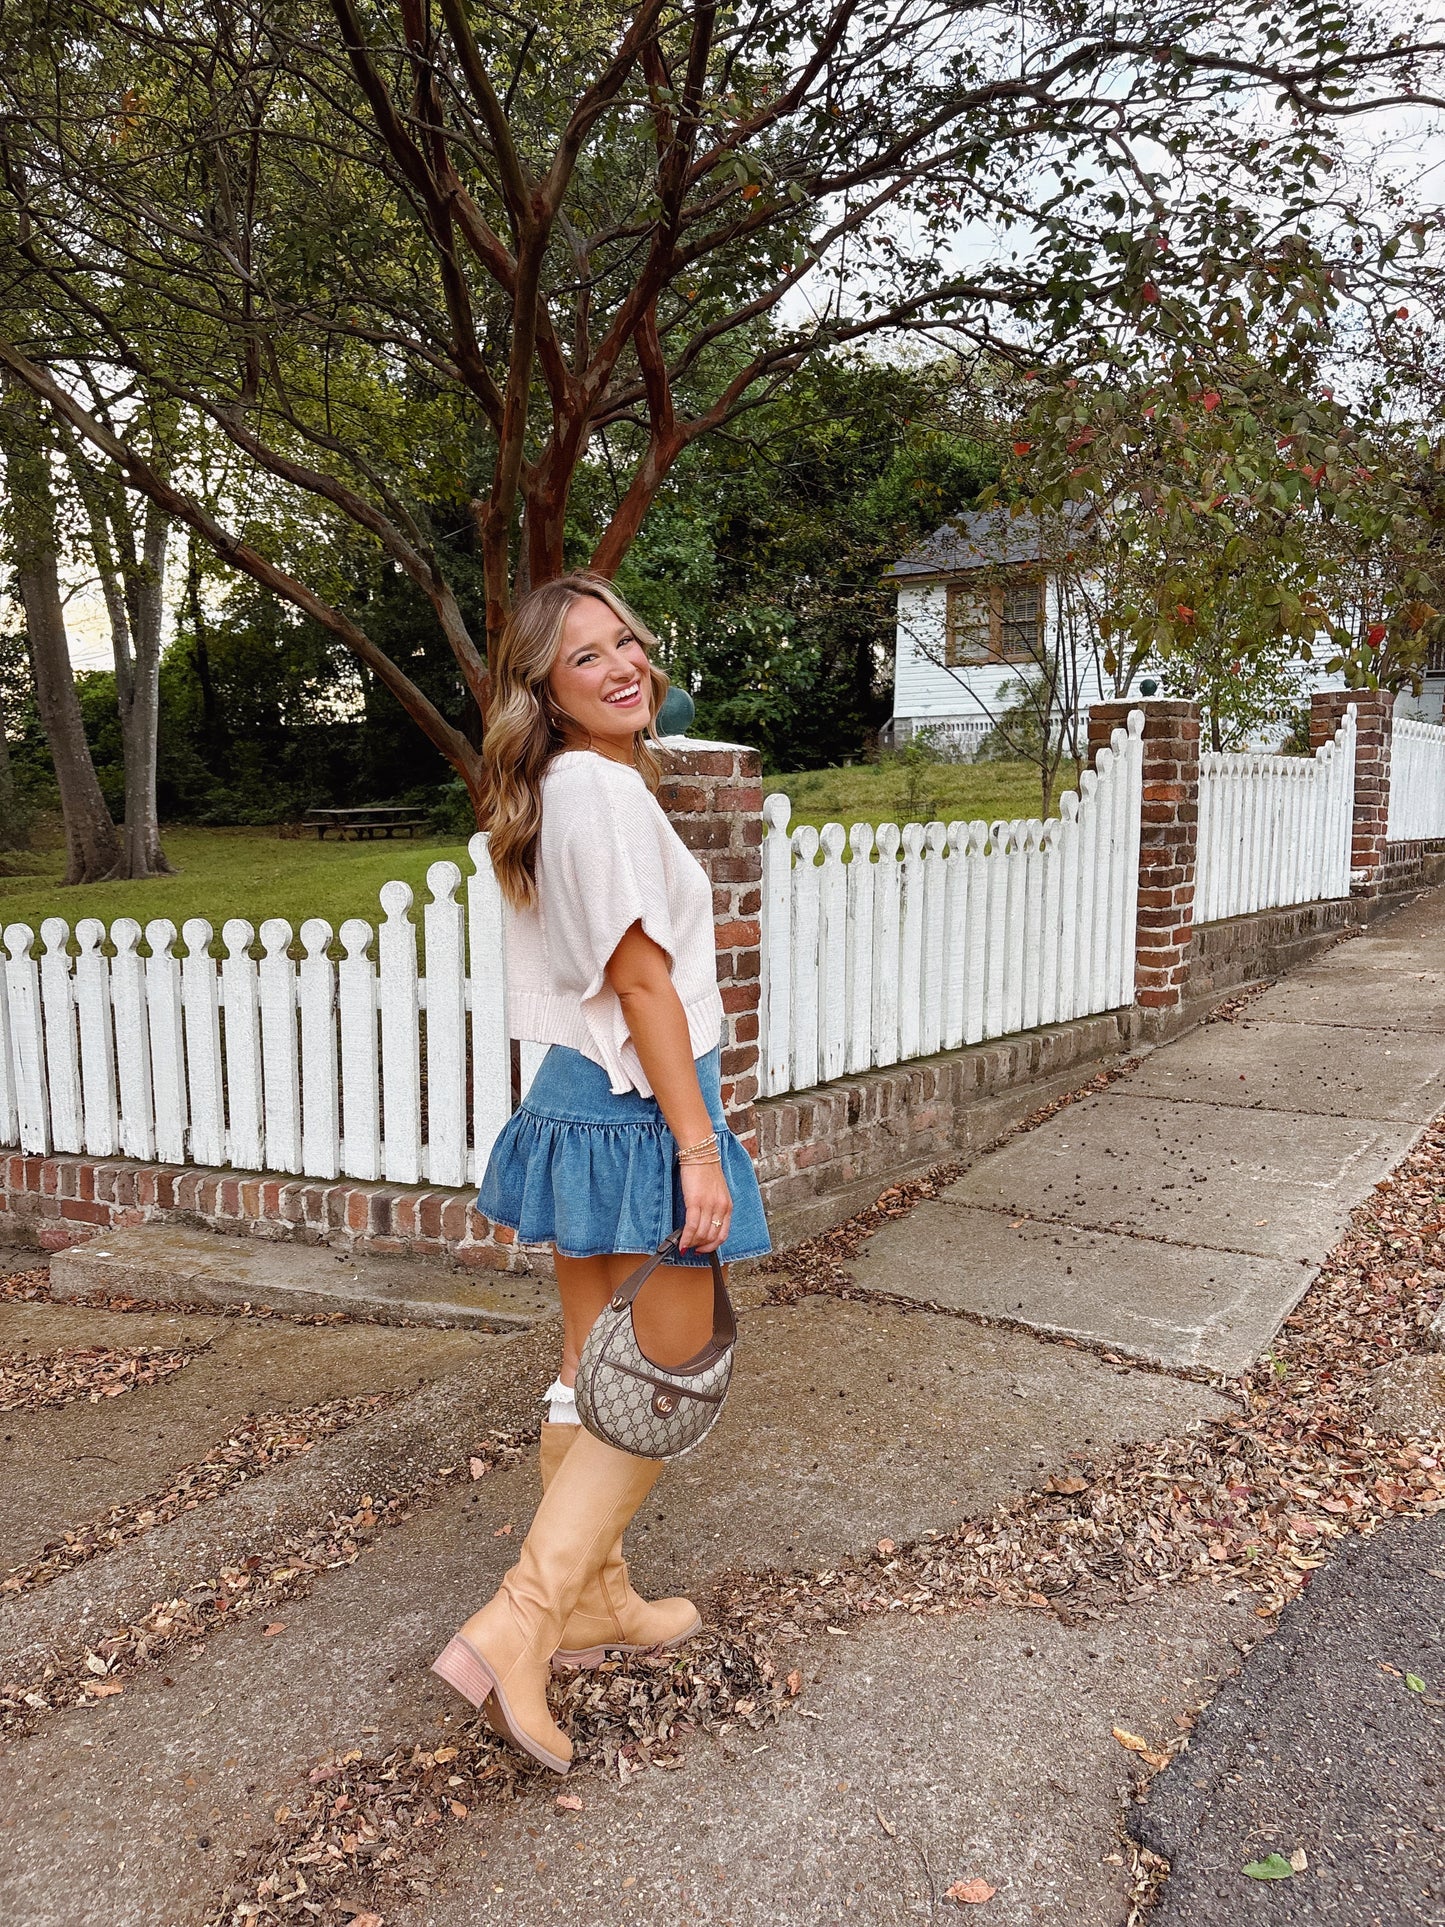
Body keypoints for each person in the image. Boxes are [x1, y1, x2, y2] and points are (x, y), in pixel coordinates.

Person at [431, 572, 772, 1773]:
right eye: (589, 656)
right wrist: (696, 1146)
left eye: (627, 639)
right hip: (634, 1111)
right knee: (662, 1378)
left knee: (590, 1372)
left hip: (574, 1103)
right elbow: (640, 982)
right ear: (545, 688)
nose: (624, 663)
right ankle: (516, 1626)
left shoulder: (552, 789)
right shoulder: (599, 792)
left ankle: (594, 1605)